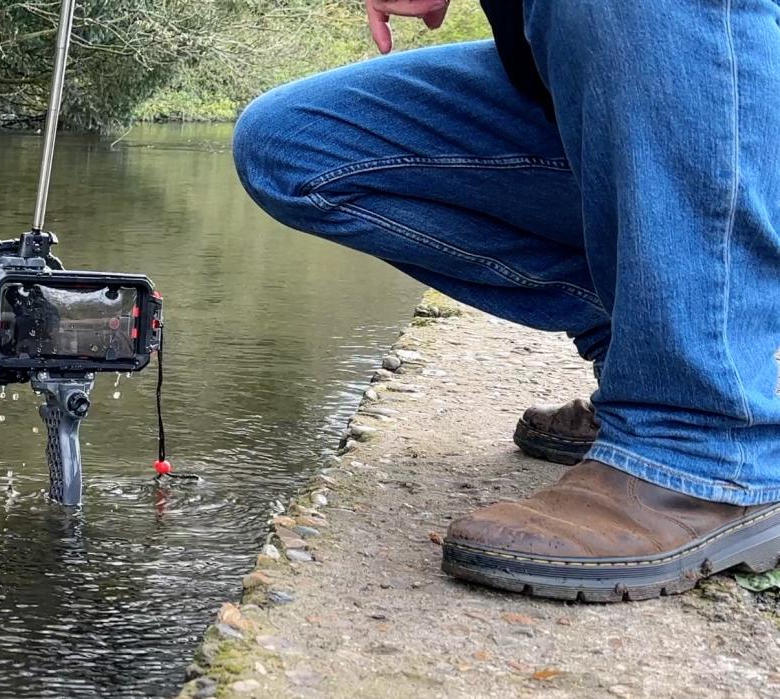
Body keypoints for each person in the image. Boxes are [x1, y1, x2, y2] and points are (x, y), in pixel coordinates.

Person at [233, 0, 780, 602]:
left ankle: (702, 438)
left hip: (744, 98)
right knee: (293, 147)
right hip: (593, 86)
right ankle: (641, 352)